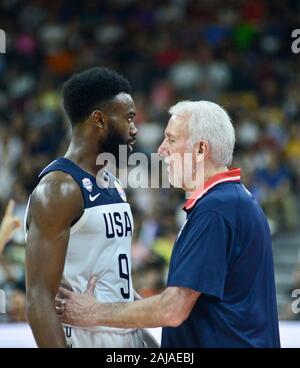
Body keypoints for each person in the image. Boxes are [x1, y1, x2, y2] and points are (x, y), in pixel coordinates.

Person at [56, 101, 281, 348]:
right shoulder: (229, 201)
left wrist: (94, 312)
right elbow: (192, 311)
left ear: (200, 149)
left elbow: (173, 310)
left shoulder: (216, 210)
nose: (161, 150)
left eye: (171, 140)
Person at [25, 67, 143, 348]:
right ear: (99, 120)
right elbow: (39, 298)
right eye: (128, 118)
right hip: (85, 339)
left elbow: (114, 281)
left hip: (125, 338)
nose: (134, 129)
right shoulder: (59, 190)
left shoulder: (112, 183)